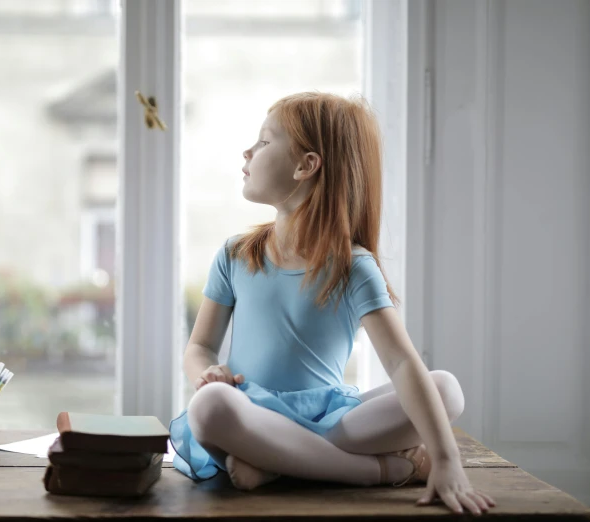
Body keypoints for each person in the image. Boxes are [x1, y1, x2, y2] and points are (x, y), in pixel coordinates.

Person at [169, 92, 496, 516]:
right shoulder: (235, 254)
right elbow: (199, 348)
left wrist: (448, 459)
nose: (248, 151)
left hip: (327, 417)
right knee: (209, 406)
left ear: (306, 166)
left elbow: (401, 364)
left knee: (446, 388)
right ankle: (380, 470)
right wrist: (206, 372)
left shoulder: (354, 267)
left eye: (265, 142)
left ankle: (280, 462)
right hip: (249, 413)